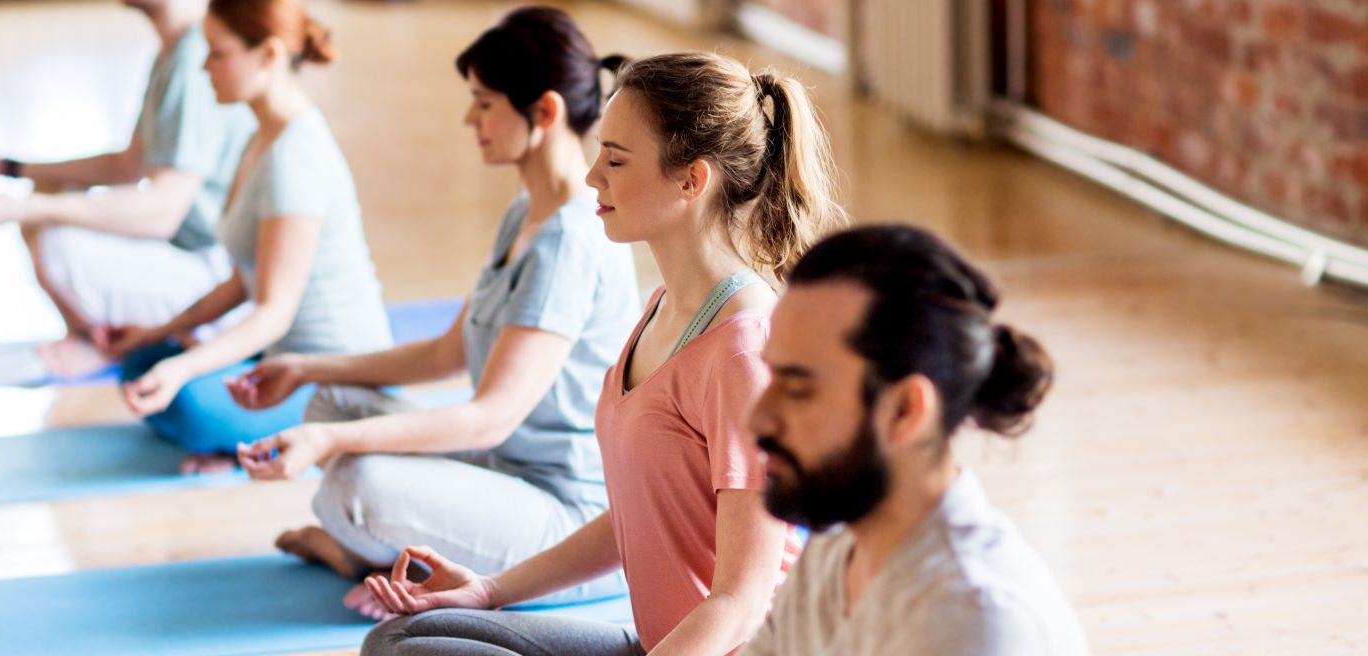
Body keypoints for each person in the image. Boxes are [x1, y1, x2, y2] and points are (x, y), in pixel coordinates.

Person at [357, 52, 848, 656]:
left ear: (691, 180)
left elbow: (741, 603)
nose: (592, 177)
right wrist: (488, 589)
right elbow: (637, 518)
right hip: (654, 643)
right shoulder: (665, 305)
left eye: (615, 159)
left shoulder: (743, 351)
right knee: (401, 636)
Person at [228, 7, 637, 605]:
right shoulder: (525, 213)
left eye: (484, 102)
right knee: (330, 403)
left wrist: (329, 443)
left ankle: (379, 556)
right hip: (502, 471)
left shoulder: (567, 242)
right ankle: (389, 556)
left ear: (543, 112)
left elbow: (490, 416)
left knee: (357, 483)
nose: (469, 118)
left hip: (567, 518)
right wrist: (304, 368)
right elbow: (446, 353)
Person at [0, 0, 255, 376]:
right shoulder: (178, 47)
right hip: (192, 253)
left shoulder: (198, 55)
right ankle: (100, 335)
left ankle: (106, 344)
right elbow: (129, 163)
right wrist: (9, 168)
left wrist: (27, 206)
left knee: (52, 230)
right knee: (49, 195)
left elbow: (161, 210)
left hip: (218, 277)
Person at [742, 225, 1089, 656]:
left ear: (905, 410)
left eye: (798, 389)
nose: (757, 419)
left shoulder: (972, 621)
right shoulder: (835, 548)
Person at [106, 0, 392, 473]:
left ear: (270, 55)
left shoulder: (294, 160)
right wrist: (160, 333)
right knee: (142, 365)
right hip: (277, 365)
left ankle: (259, 441)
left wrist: (185, 367)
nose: (204, 66)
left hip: (333, 384)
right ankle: (239, 434)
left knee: (185, 398)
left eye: (218, 52)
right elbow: (246, 277)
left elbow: (274, 312)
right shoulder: (259, 137)